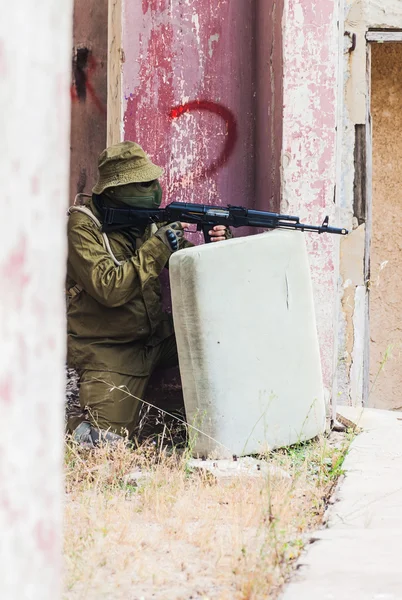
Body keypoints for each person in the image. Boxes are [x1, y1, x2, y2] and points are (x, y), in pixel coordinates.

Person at [66, 141, 230, 446]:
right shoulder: (82, 226)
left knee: (222, 336)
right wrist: (160, 245)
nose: (155, 189)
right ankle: (58, 421)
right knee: (105, 443)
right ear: (115, 190)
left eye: (154, 180)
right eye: (144, 183)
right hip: (109, 349)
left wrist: (219, 242)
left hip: (155, 339)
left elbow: (190, 266)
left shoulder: (147, 222)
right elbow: (109, 288)